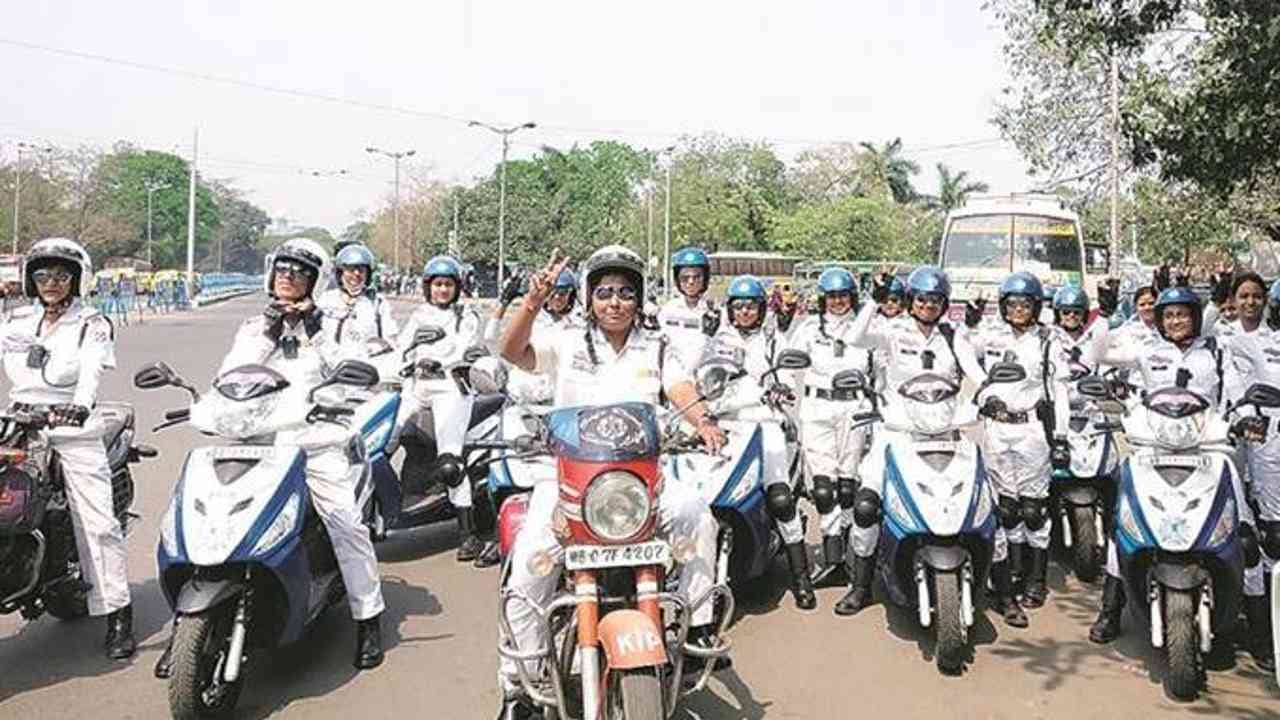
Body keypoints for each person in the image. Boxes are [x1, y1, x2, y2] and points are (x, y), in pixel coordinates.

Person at [496, 245, 725, 717]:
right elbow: (512, 351)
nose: (614, 302)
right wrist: (532, 302)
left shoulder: (658, 344)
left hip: (639, 488)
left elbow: (679, 388)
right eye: (604, 293)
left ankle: (699, 625)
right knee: (530, 564)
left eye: (625, 292)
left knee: (697, 515)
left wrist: (703, 421)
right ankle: (520, 679)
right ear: (589, 298)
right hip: (568, 485)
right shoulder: (565, 340)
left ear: (638, 299)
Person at [153, 239, 387, 675]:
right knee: (196, 517)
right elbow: (231, 374)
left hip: (314, 441)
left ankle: (367, 618)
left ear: (315, 283)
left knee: (346, 523)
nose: (288, 278)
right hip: (252, 439)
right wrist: (271, 330)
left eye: (299, 273)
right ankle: (183, 627)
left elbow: (353, 370)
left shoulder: (337, 324)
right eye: (282, 270)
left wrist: (315, 330)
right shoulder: (253, 325)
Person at [1084, 287, 1260, 647]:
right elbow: (1098, 353)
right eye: (1169, 315)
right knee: (1125, 528)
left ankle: (1256, 627)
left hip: (1209, 449)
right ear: (1160, 320)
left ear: (1195, 317)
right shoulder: (1148, 350)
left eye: (1183, 314)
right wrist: (1103, 313)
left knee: (1245, 534)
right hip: (1153, 450)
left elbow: (1238, 393)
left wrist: (1246, 419)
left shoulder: (1217, 350)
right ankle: (1110, 610)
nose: (1176, 321)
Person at [0, 238, 133, 659]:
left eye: (60, 275)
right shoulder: (18, 320)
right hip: (18, 420)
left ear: (77, 280)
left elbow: (91, 369)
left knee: (96, 522)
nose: (51, 283)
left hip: (70, 424)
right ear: (30, 279)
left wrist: (78, 407)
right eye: (42, 275)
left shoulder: (92, 323)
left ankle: (117, 614)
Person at [842, 267, 987, 616]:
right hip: (897, 435)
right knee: (865, 508)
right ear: (910, 301)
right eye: (921, 299)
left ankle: (999, 588)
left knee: (982, 502)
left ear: (944, 304)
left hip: (946, 434)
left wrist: (990, 394)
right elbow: (855, 337)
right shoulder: (892, 331)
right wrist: (874, 300)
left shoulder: (953, 337)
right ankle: (860, 587)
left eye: (935, 300)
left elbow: (978, 374)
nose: (927, 305)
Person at [963, 272, 1071, 626]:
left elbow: (1060, 392)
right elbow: (962, 350)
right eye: (1011, 304)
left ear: (1036, 307)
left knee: (1033, 509)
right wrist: (983, 390)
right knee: (1006, 509)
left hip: (1031, 429)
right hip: (997, 428)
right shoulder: (991, 335)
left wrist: (1061, 437)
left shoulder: (1047, 341)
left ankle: (1036, 579)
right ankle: (1011, 572)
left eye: (1025, 304)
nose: (1018, 310)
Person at [702, 274, 814, 609]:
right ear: (730, 310)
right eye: (739, 307)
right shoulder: (715, 338)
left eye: (751, 306)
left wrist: (779, 387)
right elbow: (700, 374)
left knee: (779, 496)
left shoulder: (772, 339)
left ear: (761, 309)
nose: (745, 312)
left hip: (764, 422)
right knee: (703, 496)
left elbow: (786, 371)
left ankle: (801, 579)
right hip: (724, 423)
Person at [787, 267, 878, 610]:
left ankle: (854, 557)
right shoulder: (810, 328)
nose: (838, 302)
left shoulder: (866, 328)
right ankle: (833, 559)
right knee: (823, 489)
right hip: (817, 406)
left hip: (853, 407)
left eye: (843, 296)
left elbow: (882, 365)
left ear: (852, 297)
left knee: (848, 488)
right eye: (832, 296)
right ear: (823, 299)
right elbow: (787, 360)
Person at [395, 254, 486, 561]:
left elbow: (468, 348)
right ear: (428, 287)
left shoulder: (466, 316)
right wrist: (409, 355)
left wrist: (447, 361)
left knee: (450, 462)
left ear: (456, 287)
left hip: (450, 386)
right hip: (417, 385)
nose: (442, 290)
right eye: (437, 285)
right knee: (382, 438)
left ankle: (468, 534)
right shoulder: (419, 315)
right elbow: (399, 351)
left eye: (448, 285)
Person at [317, 243, 399, 350]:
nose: (356, 274)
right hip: (329, 362)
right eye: (350, 269)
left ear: (368, 274)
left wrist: (381, 346)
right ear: (340, 273)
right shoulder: (324, 301)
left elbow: (391, 339)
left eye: (361, 270)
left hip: (366, 362)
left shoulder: (377, 303)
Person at [659, 246, 718, 349]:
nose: (691, 282)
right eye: (685, 278)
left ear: (705, 278)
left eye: (696, 277)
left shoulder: (715, 313)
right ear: (677, 280)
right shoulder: (668, 309)